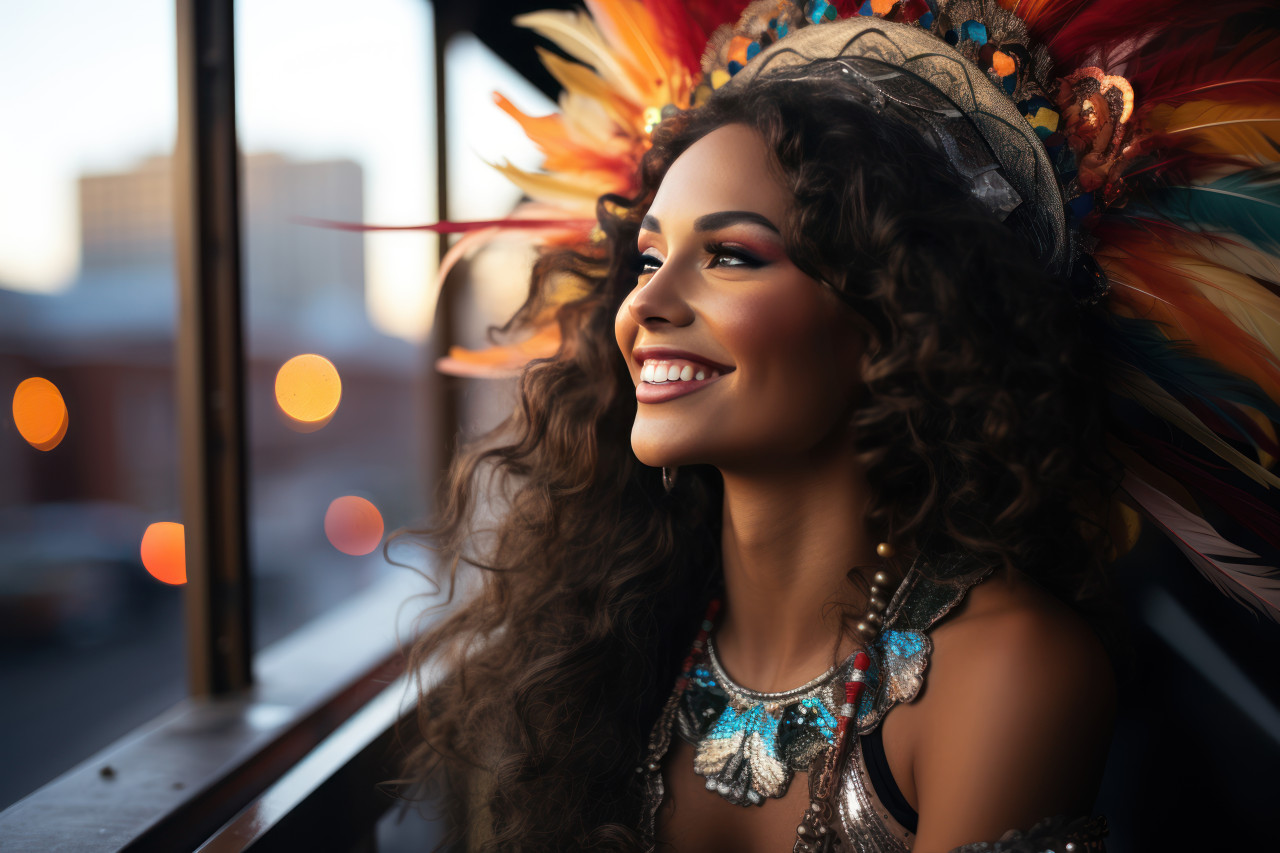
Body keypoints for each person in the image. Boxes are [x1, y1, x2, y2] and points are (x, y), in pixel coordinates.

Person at [398, 3, 1280, 851]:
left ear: (896, 314)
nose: (646, 304)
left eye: (731, 255)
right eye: (650, 257)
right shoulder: (610, 632)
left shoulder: (1012, 667)